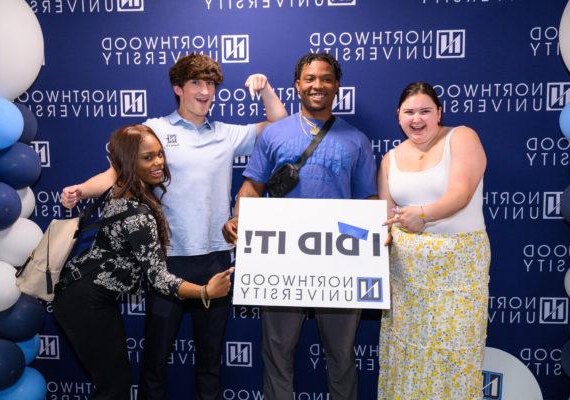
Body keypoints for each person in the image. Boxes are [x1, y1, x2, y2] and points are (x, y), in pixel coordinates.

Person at [61, 54, 287, 400]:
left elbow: (279, 124)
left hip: (216, 258)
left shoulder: (226, 134)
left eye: (210, 84)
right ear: (178, 88)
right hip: (166, 260)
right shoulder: (155, 131)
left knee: (210, 359)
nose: (205, 91)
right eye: (197, 83)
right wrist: (81, 190)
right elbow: (113, 174)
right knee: (155, 360)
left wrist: (266, 88)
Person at [222, 52, 377, 400]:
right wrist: (237, 219)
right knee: (277, 354)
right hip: (282, 263)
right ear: (297, 85)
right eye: (309, 79)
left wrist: (375, 241)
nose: (317, 85)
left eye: (325, 79)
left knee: (341, 356)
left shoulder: (357, 140)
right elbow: (252, 187)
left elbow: (368, 201)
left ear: (336, 86)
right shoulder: (275, 134)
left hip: (340, 263)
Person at [53, 125, 233, 400]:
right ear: (128, 163)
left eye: (160, 154)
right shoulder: (137, 213)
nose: (159, 162)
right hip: (85, 300)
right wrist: (205, 292)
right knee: (114, 387)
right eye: (148, 157)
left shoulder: (124, 191)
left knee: (114, 383)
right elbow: (159, 278)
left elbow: (110, 174)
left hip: (86, 295)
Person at [376, 82, 490, 399]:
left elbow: (461, 194)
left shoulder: (462, 137)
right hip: (407, 279)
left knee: (454, 355)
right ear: (398, 116)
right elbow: (385, 217)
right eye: (409, 112)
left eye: (425, 111)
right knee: (407, 357)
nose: (417, 119)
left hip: (459, 274)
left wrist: (423, 214)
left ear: (439, 113)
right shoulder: (390, 159)